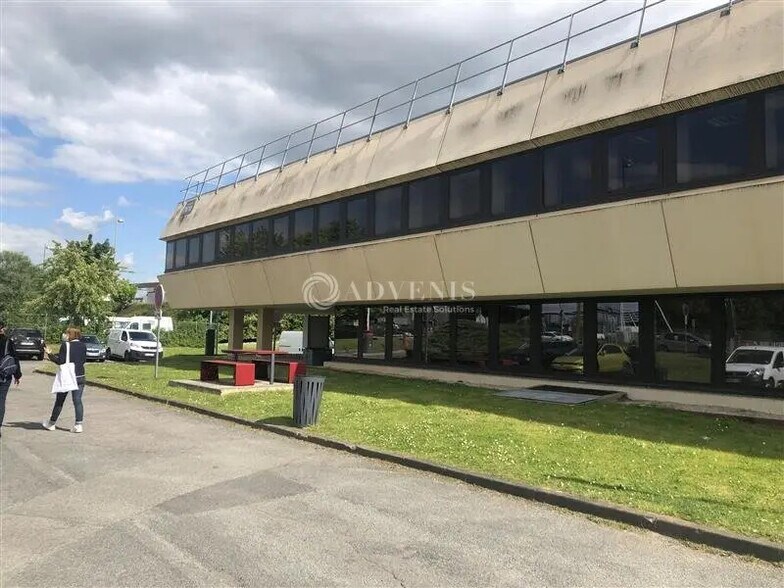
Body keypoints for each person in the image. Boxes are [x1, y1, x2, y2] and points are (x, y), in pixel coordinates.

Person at [43, 326, 87, 433]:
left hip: (68, 377)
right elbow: (82, 359)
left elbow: (60, 361)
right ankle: (78, 425)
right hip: (80, 376)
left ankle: (52, 423)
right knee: (77, 401)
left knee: (60, 400)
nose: (65, 335)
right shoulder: (83, 346)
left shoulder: (65, 345)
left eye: (66, 333)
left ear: (70, 335)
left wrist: (49, 354)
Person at [0, 321, 22, 438]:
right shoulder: (8, 341)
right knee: (1, 401)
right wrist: (17, 375)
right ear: (2, 328)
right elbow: (15, 358)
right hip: (4, 375)